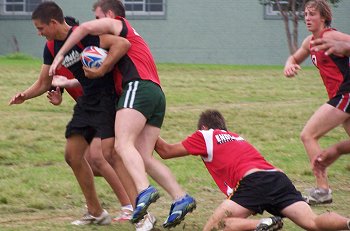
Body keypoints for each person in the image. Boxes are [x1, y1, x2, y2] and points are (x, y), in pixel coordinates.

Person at [48, 0, 196, 228]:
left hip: (137, 87)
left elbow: (84, 29)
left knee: (121, 145)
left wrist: (60, 55)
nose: (95, 24)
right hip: (156, 94)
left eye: (98, 18)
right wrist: (71, 80)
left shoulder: (117, 25)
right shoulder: (123, 40)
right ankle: (181, 197)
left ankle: (144, 191)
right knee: (143, 157)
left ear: (108, 15)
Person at [9, 1, 130, 226]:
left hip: (106, 99)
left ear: (53, 23)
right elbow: (44, 82)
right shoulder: (51, 47)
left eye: (40, 28)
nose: (38, 33)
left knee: (101, 157)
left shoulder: (85, 36)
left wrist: (103, 68)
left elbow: (122, 44)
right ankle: (96, 212)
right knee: (72, 156)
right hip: (86, 104)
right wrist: (25, 95)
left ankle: (131, 206)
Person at [155, 109, 350, 231]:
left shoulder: (205, 135)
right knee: (313, 223)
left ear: (204, 127)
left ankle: (262, 224)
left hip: (253, 182)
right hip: (278, 178)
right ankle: (347, 222)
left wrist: (144, 128)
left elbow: (166, 151)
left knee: (216, 226)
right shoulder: (237, 137)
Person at [283, 0, 350, 205]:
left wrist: (345, 46)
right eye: (305, 15)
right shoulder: (309, 42)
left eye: (312, 14)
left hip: (345, 94)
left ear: (323, 17)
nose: (307, 18)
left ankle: (322, 189)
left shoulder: (331, 35)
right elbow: (294, 58)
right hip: (340, 96)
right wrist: (289, 66)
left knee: (308, 135)